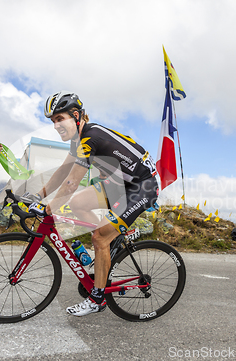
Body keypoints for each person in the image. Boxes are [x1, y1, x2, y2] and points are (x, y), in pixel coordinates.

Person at [29, 91, 159, 317]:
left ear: (76, 115)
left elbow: (70, 183)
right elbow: (63, 171)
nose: (56, 125)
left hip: (142, 186)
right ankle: (111, 239)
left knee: (99, 237)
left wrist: (47, 209)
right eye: (53, 121)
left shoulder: (91, 138)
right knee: (79, 203)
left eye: (60, 119)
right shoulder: (78, 140)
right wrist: (36, 197)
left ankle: (98, 298)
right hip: (120, 183)